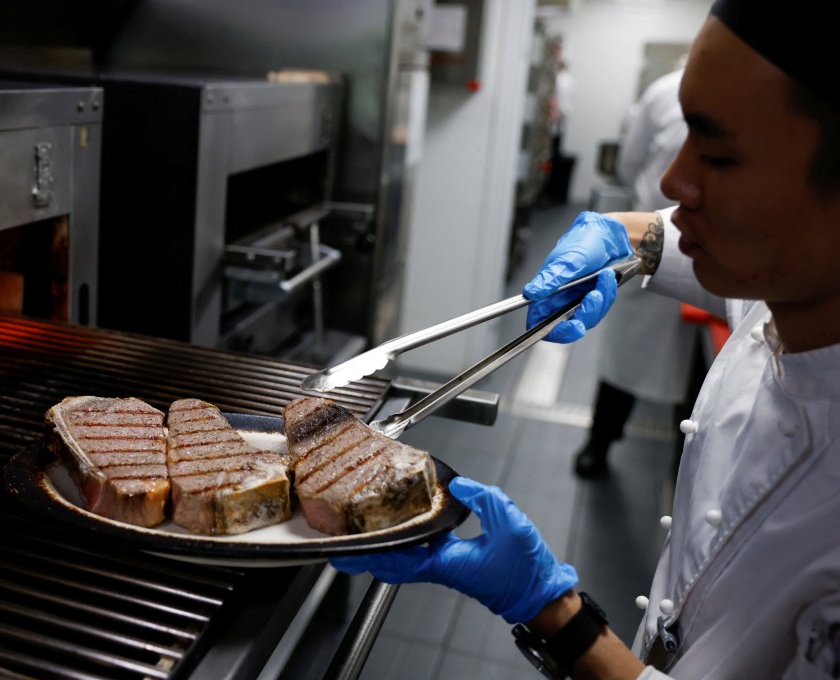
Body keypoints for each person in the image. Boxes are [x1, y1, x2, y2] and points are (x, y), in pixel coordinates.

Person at [332, 1, 840, 677]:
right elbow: (678, 233)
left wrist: (552, 610)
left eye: (717, 155)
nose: (671, 180)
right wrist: (624, 235)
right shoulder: (791, 283)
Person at [574, 66, 699, 478]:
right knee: (626, 357)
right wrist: (634, 232)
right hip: (652, 241)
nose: (678, 179)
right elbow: (629, 165)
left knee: (701, 386)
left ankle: (684, 471)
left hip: (711, 252)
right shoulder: (665, 90)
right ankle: (599, 442)